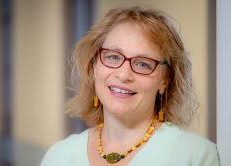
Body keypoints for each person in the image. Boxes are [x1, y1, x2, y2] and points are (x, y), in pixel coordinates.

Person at [41, 7, 220, 166]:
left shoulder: (196, 156)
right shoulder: (59, 156)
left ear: (165, 80)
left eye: (143, 64)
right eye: (113, 57)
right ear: (93, 66)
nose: (124, 75)